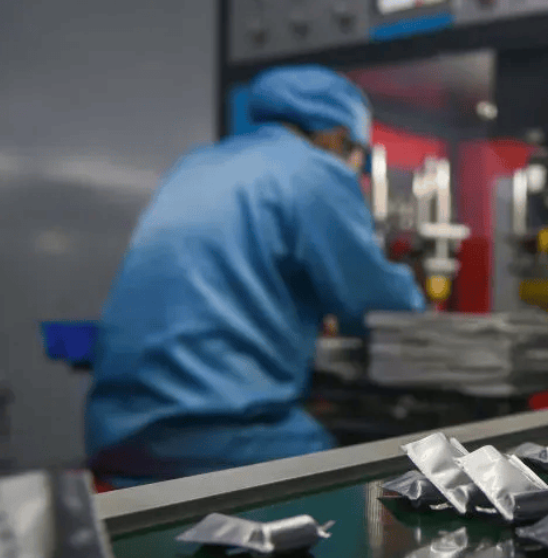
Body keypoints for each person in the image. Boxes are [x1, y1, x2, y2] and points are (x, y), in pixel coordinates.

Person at [85, 65, 425, 487]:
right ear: (337, 136)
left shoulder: (196, 164)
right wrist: (415, 296)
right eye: (360, 154)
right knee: (362, 489)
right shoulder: (315, 171)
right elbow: (380, 306)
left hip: (118, 434)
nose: (356, 168)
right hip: (221, 434)